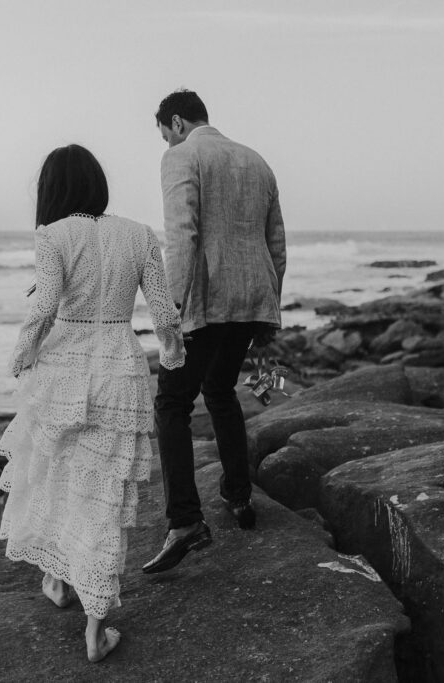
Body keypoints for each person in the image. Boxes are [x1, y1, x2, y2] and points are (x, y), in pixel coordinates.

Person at [0, 144, 185, 662]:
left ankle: (63, 587)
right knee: (103, 498)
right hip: (120, 372)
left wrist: (20, 358)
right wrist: (171, 354)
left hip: (63, 373)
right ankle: (92, 625)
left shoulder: (53, 236)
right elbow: (165, 312)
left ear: (52, 191)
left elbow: (42, 310)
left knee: (60, 480)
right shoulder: (139, 235)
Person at [141, 90, 287, 575]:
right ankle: (239, 496)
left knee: (171, 404)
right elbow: (276, 243)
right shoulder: (256, 160)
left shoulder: (181, 157)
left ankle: (185, 522)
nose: (165, 142)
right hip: (251, 298)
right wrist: (271, 308)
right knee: (221, 392)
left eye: (163, 134)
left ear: (176, 123)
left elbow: (181, 236)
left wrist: (171, 311)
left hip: (205, 301)